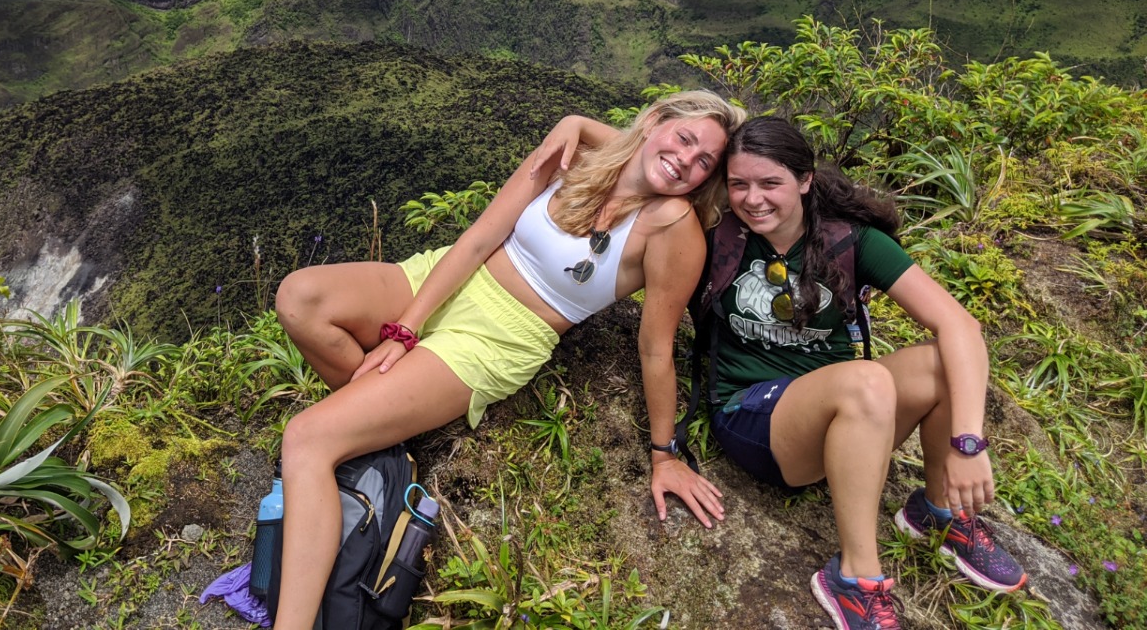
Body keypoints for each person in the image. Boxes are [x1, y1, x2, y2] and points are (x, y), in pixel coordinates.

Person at [270, 91, 747, 630]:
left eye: (704, 161)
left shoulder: (671, 226)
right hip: (452, 277)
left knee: (307, 439)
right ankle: (377, 429)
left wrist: (665, 455)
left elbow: (656, 347)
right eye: (684, 139)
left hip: (499, 338)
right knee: (299, 298)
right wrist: (406, 330)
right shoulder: (581, 157)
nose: (685, 160)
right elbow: (479, 239)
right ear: (656, 121)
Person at [565, 113, 1027, 629]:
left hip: (847, 411)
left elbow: (960, 326)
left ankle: (938, 511)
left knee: (943, 362)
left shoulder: (850, 241)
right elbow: (658, 162)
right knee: (867, 380)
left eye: (771, 183)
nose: (753, 199)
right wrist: (575, 127)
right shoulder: (717, 231)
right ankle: (855, 580)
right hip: (752, 414)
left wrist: (968, 443)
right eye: (738, 184)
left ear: (805, 180)